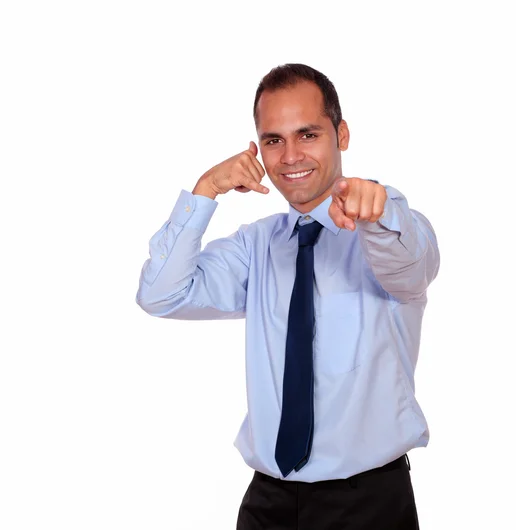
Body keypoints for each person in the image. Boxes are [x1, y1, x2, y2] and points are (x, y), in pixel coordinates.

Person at [136, 63, 440, 529]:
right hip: (268, 501)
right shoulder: (256, 245)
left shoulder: (387, 230)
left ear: (341, 135)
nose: (291, 155)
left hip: (369, 504)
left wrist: (377, 210)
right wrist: (206, 191)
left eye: (308, 134)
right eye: (274, 140)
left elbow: (411, 265)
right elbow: (161, 294)